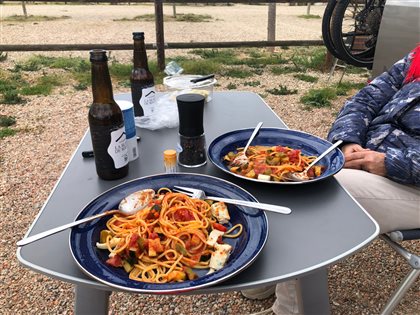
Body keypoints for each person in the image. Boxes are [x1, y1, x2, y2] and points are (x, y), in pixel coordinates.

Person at [244, 44, 420, 315]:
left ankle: (292, 310)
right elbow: (366, 97)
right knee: (280, 168)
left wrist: (390, 163)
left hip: (410, 185)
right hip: (368, 158)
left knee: (309, 198)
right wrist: (348, 141)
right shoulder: (417, 56)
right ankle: (266, 277)